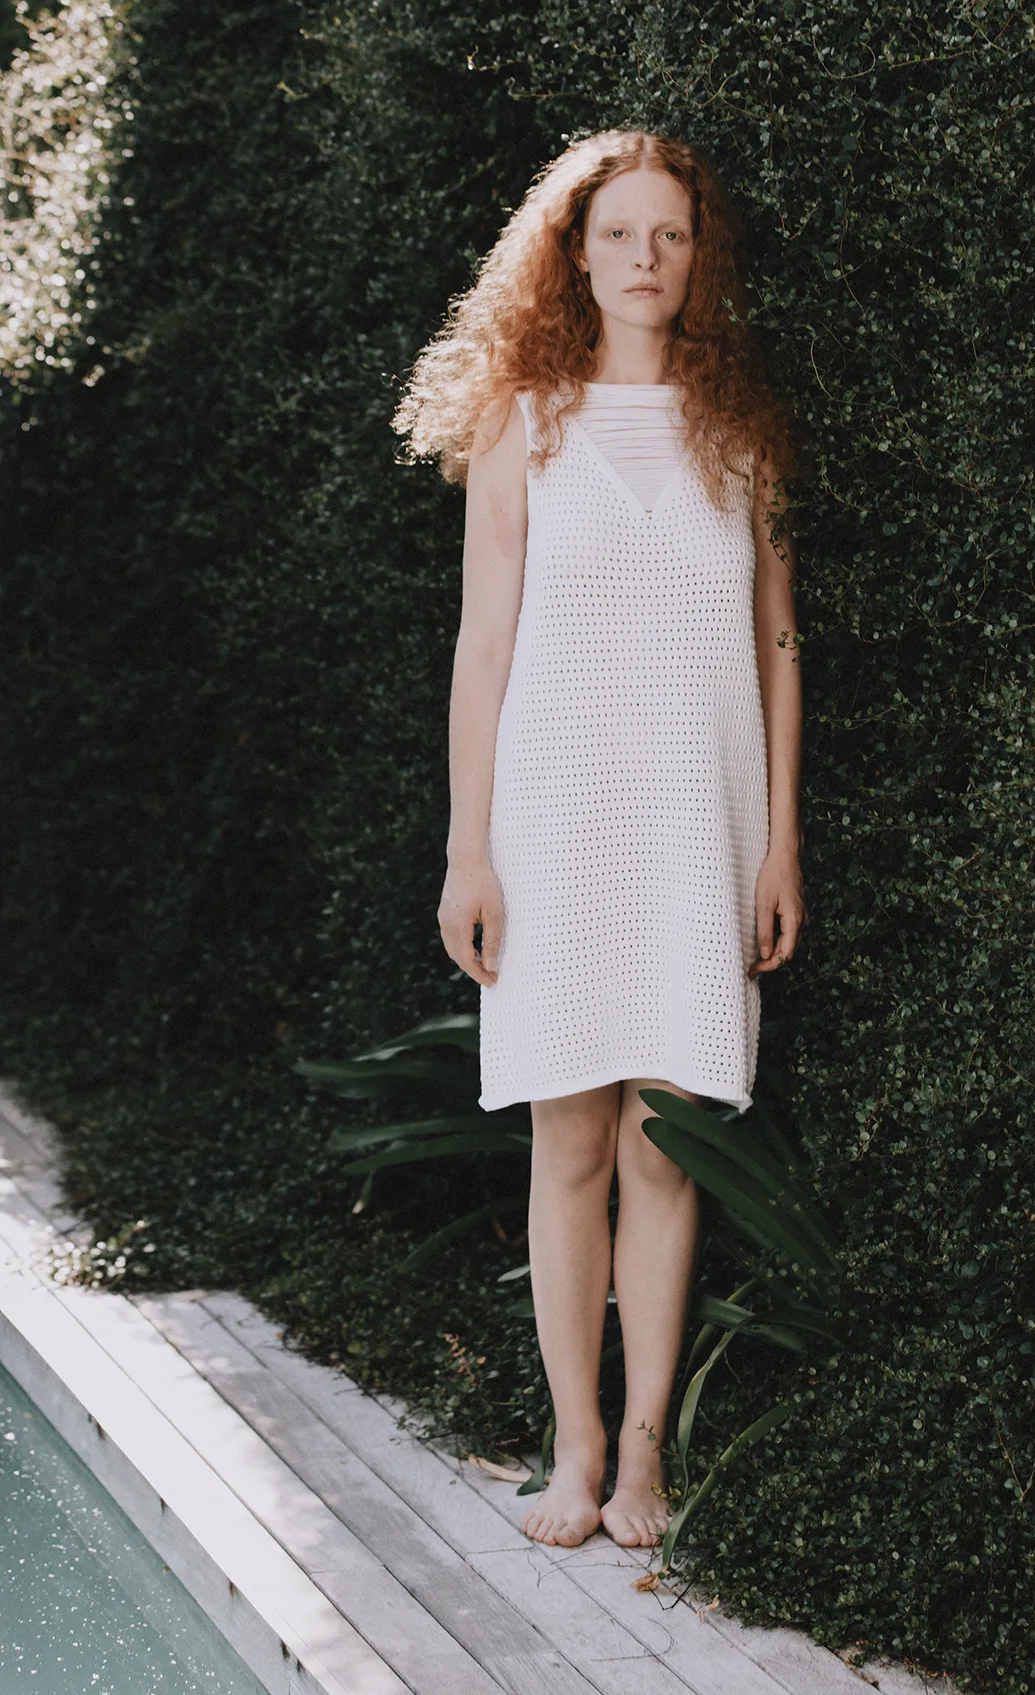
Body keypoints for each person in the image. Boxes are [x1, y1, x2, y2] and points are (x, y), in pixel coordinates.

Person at [397, 129, 805, 1549]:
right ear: (574, 251)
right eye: (620, 233)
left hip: (702, 823)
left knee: (665, 1142)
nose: (646, 257)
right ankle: (571, 1452)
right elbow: (481, 650)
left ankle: (645, 1459)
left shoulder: (735, 425)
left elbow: (777, 645)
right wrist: (470, 853)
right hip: (556, 819)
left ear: (699, 260)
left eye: (672, 235)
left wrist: (781, 846)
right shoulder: (525, 419)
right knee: (568, 1135)